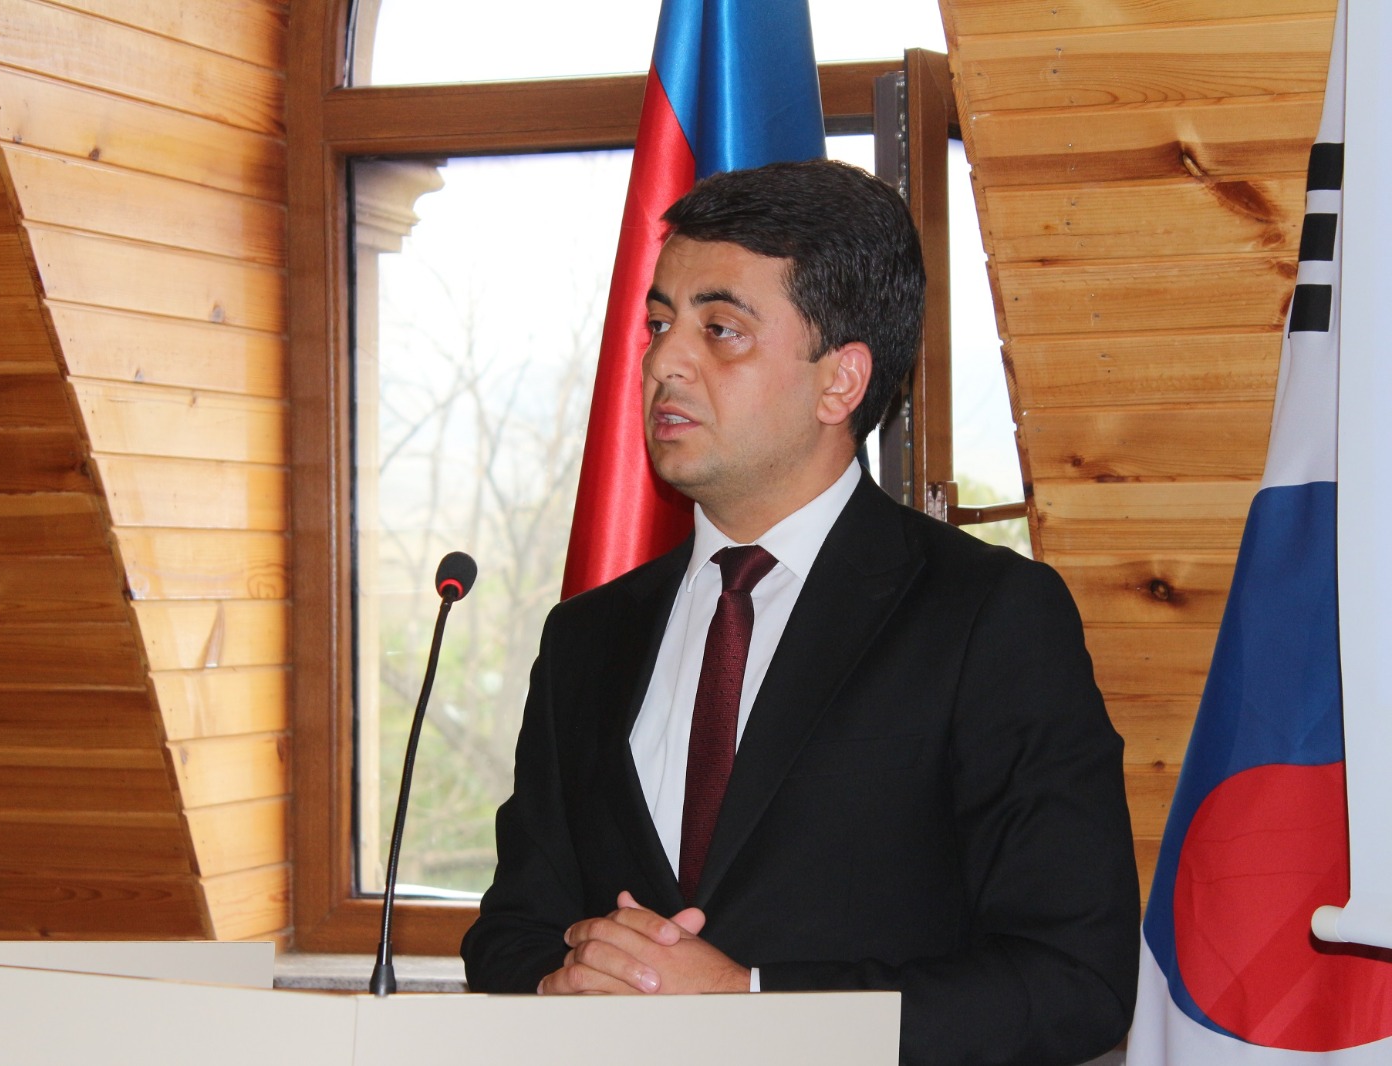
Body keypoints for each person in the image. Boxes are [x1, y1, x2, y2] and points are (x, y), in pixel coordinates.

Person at [461, 160, 1139, 1066]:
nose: (663, 362)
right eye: (659, 324)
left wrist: (750, 1002)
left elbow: (1074, 982)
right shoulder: (587, 637)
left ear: (840, 383)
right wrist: (561, 984)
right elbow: (510, 932)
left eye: (720, 330)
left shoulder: (988, 618)